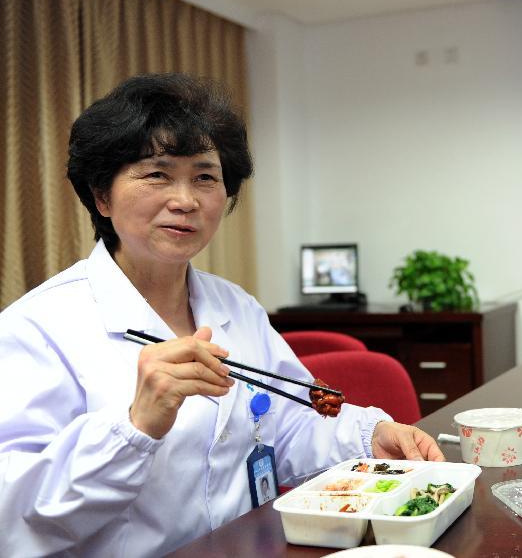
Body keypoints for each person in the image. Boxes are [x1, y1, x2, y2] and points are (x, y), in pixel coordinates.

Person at [0, 73, 444, 556]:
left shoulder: (237, 307)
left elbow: (289, 423)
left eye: (206, 177)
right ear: (102, 196)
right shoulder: (37, 328)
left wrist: (368, 435)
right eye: (157, 173)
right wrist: (134, 427)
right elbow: (13, 514)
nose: (186, 200)